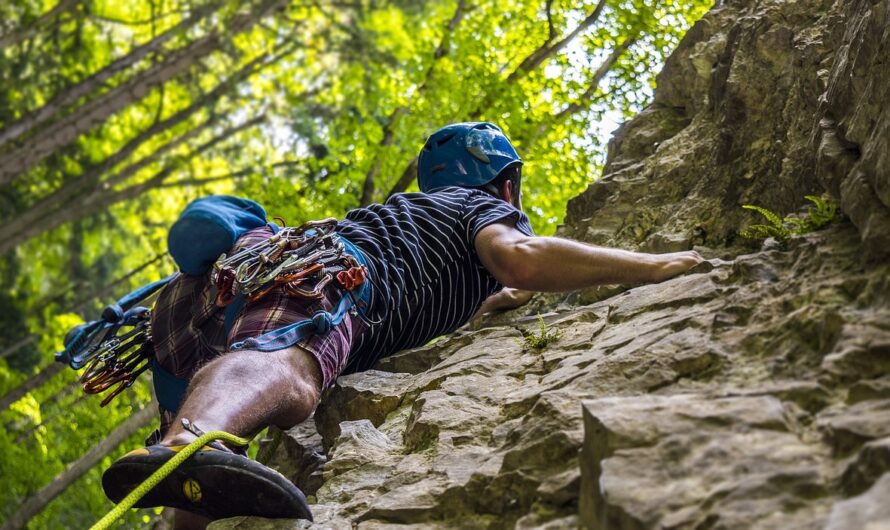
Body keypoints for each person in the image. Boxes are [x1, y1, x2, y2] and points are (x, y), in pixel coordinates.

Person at [101, 122, 702, 528]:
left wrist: (502, 299)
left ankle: (183, 477)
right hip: (325, 274)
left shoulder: (417, 222)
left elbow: (493, 291)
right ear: (506, 184)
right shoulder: (480, 209)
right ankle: (186, 442)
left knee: (210, 455)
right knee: (293, 368)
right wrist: (656, 266)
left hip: (195, 308)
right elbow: (520, 257)